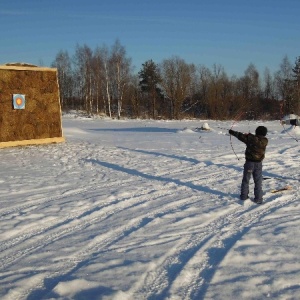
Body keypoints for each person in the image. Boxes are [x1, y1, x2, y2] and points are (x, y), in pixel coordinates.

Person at [229, 126, 268, 204]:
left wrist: (232, 132)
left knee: (246, 180)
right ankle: (258, 198)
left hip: (249, 163)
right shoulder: (265, 140)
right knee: (258, 181)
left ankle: (244, 196)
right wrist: (249, 135)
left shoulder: (250, 139)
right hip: (258, 164)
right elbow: (255, 139)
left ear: (257, 132)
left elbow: (240, 136)